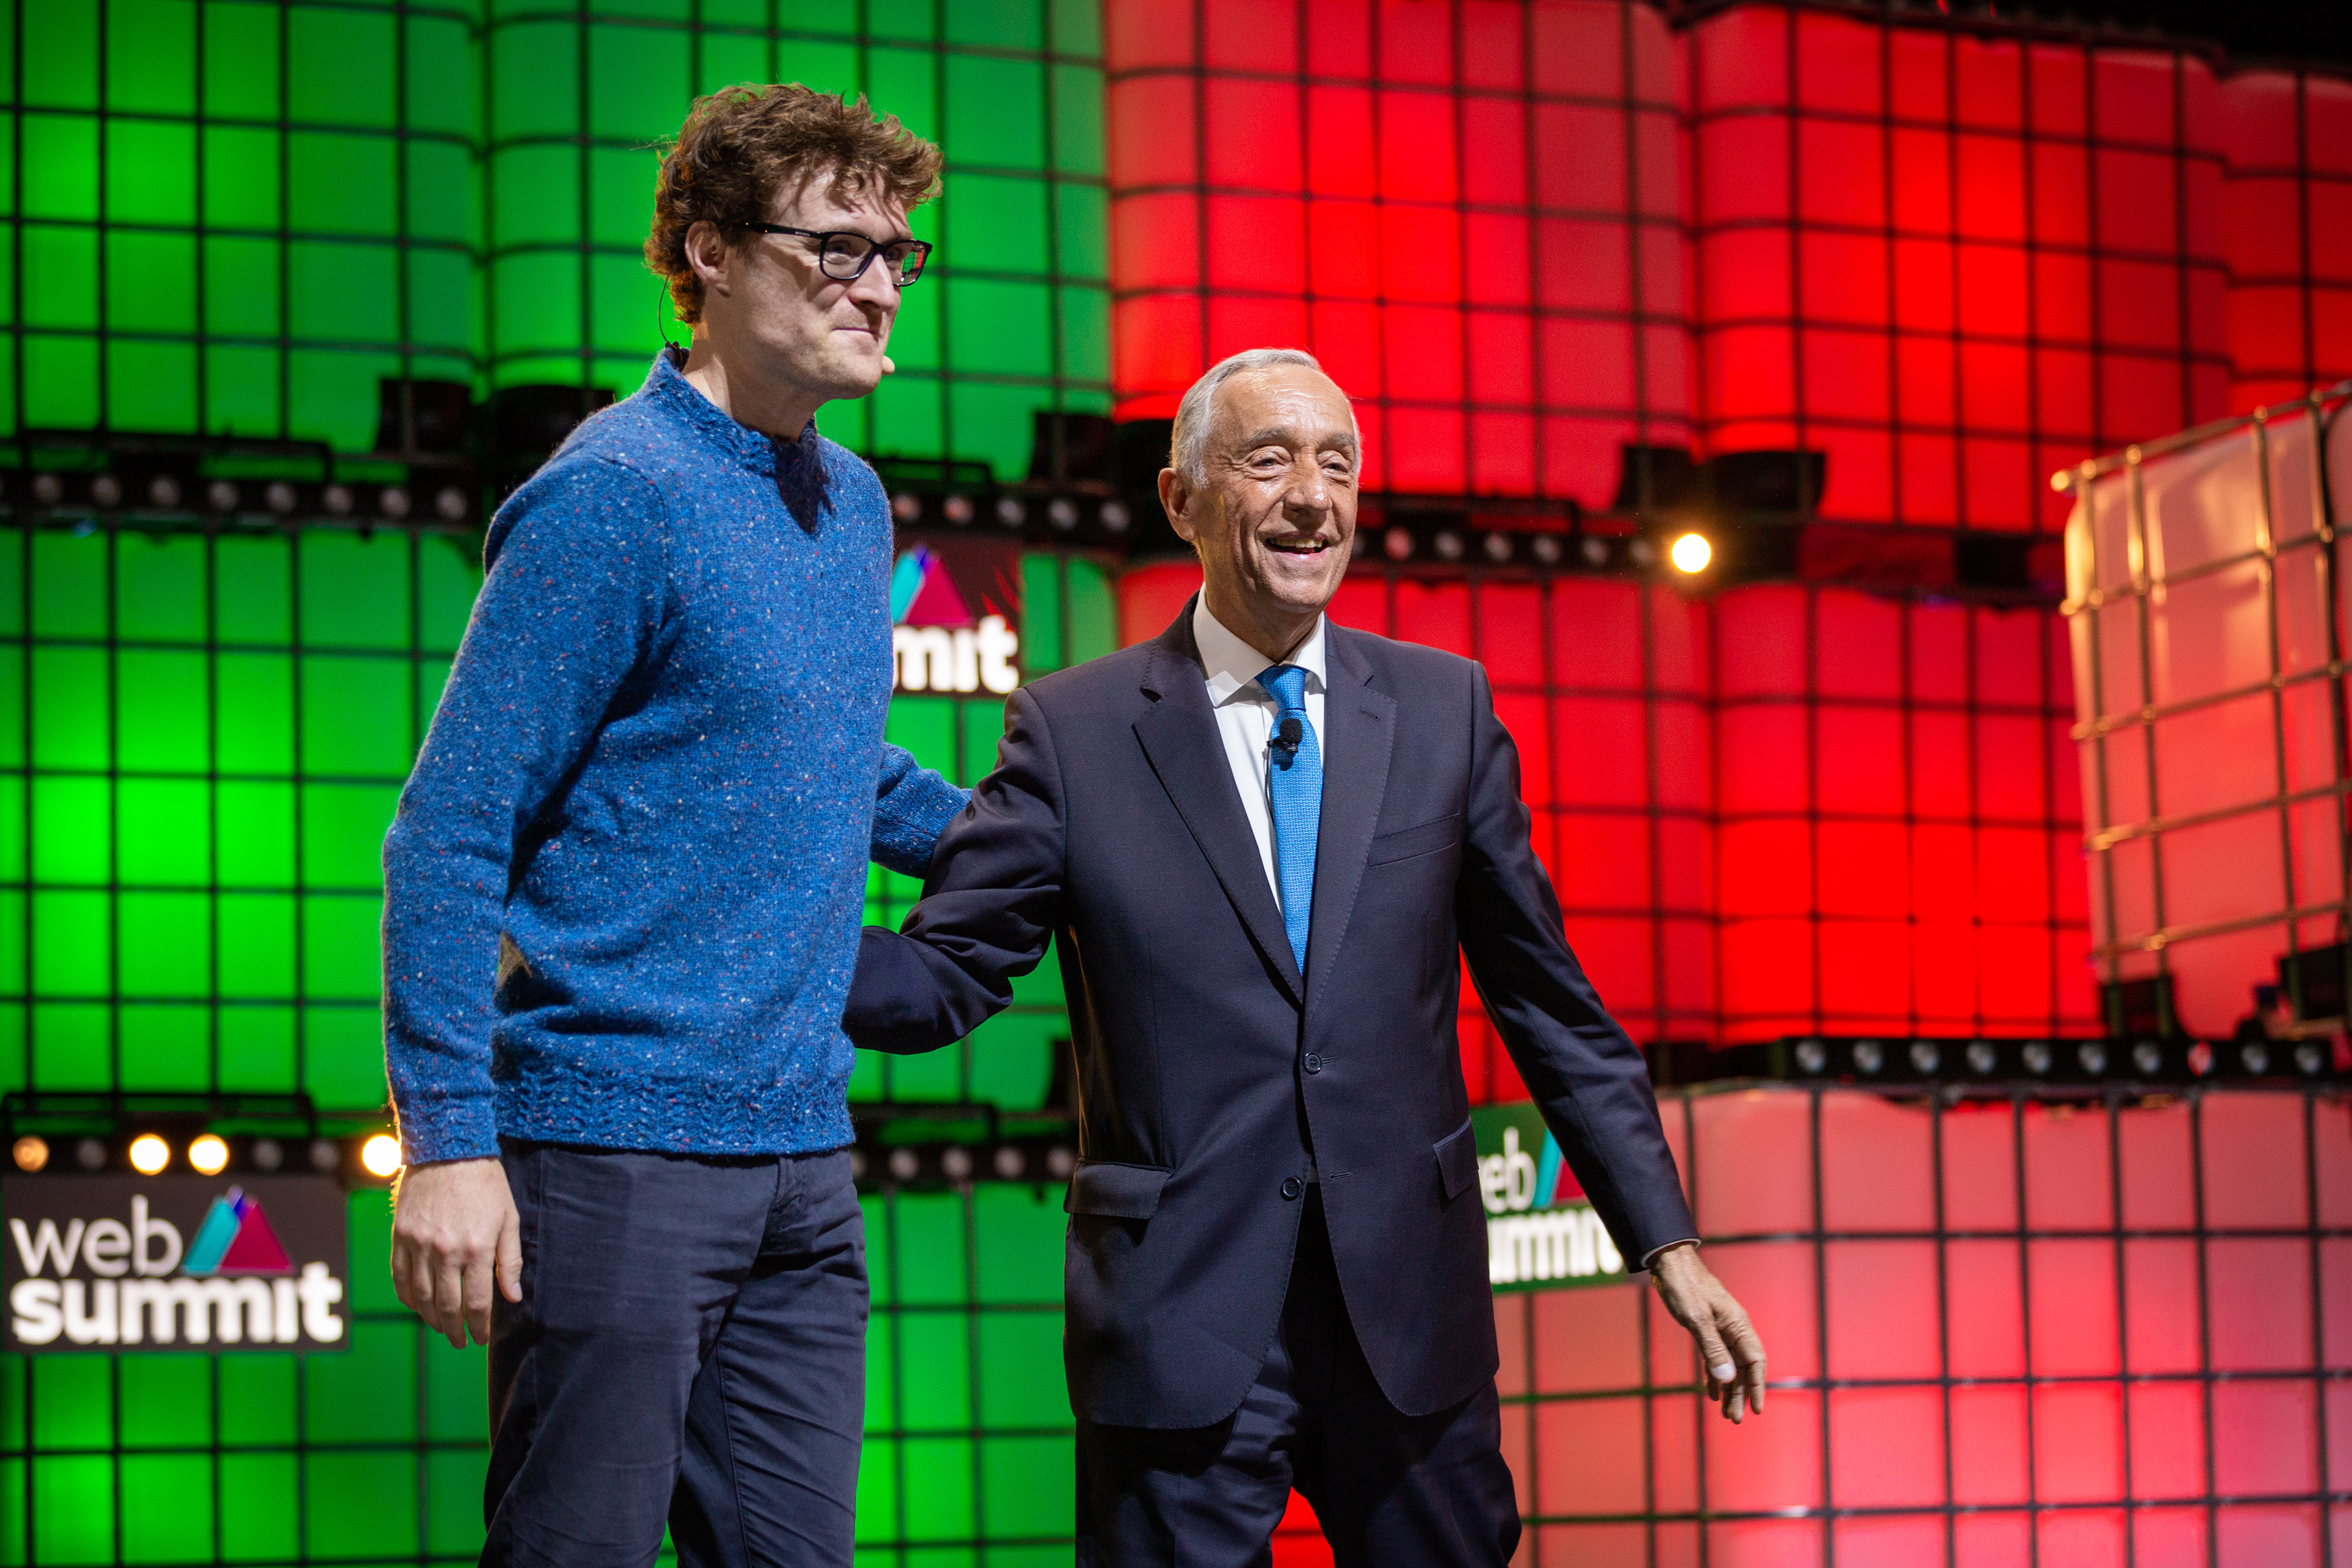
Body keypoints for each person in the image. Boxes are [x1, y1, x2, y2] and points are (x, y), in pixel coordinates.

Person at [845, 348, 1768, 1567]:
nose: (1311, 496)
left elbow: (1552, 1008)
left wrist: (1668, 1241)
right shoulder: (1073, 730)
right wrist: (742, 943)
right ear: (1182, 499)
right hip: (1178, 1317)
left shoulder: (1445, 712)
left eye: (1338, 462)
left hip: (1410, 1323)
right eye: (1268, 459)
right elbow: (947, 976)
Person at [380, 85, 965, 1567]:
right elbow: (449, 832)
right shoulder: (612, 495)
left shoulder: (853, 502)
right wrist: (449, 1141)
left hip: (803, 1167)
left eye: (899, 250)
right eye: (839, 248)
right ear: (708, 251)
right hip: (609, 1158)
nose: (884, 282)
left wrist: (1068, 832)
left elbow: (834, 767)